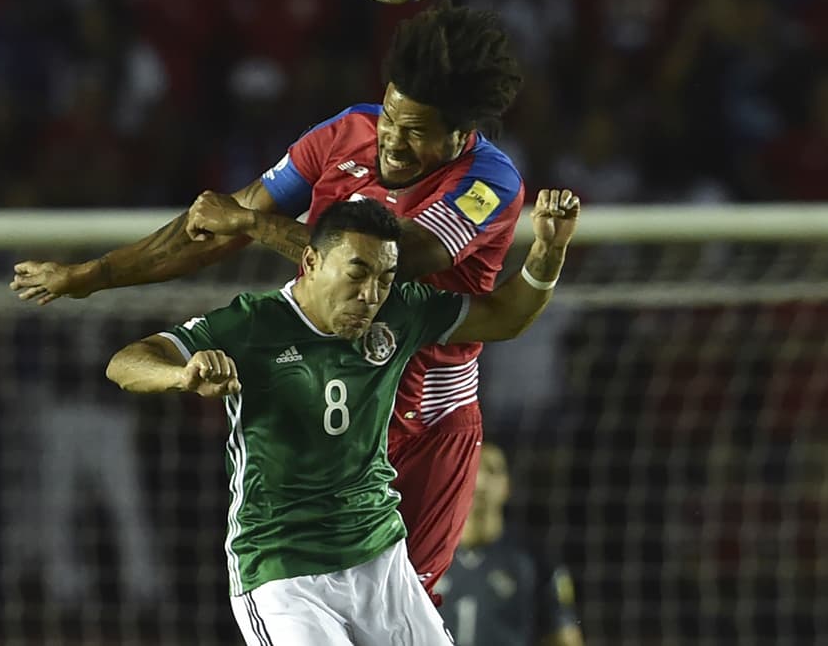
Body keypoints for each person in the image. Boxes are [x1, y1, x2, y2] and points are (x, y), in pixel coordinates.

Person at [12, 1, 525, 600]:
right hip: (327, 407)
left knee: (401, 610)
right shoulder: (344, 135)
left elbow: (394, 260)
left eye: (416, 131)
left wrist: (252, 224)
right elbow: (214, 227)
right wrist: (93, 275)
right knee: (302, 597)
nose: (393, 139)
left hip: (427, 420)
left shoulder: (489, 181)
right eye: (390, 116)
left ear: (459, 134)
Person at [104, 193, 580, 645]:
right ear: (312, 262)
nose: (370, 294)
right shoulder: (253, 324)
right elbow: (126, 362)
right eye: (357, 273)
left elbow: (504, 316)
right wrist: (181, 374)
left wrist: (549, 250)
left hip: (379, 558)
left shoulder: (400, 311)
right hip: (284, 570)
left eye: (385, 277)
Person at [436, 443, 585, 646]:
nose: (480, 481)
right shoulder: (423, 555)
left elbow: (565, 638)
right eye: (470, 469)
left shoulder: (533, 559)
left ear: (508, 485)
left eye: (492, 470)